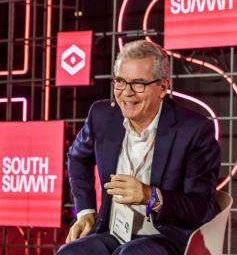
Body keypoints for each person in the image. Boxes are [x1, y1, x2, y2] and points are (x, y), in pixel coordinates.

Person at [59, 40, 221, 255]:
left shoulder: (193, 130)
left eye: (138, 84)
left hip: (165, 238)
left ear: (163, 87)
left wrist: (150, 196)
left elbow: (203, 207)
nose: (126, 93)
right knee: (69, 253)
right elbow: (77, 157)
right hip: (113, 233)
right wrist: (86, 211)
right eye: (120, 82)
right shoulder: (102, 116)